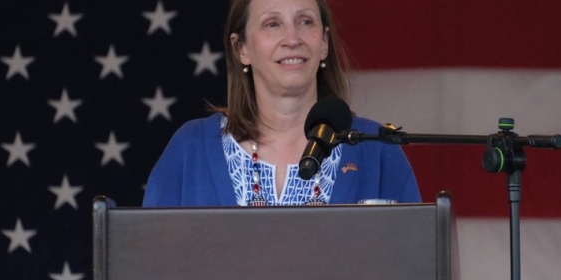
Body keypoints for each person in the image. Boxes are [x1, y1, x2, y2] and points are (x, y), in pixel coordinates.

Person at [143, 0, 420, 207]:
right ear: (242, 49)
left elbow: (417, 260)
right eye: (272, 24)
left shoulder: (376, 150)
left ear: (323, 42)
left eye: (305, 21)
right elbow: (147, 259)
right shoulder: (189, 148)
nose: (292, 39)